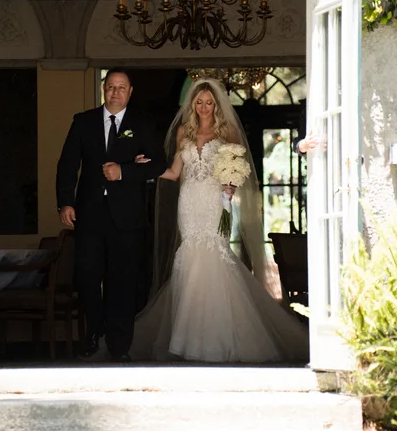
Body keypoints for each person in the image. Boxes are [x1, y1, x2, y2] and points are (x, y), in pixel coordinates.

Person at [128, 78, 309, 363]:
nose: (203, 107)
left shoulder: (228, 132)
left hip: (215, 201)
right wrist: (146, 168)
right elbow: (175, 173)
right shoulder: (183, 133)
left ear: (216, 105)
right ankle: (189, 339)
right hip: (189, 201)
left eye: (208, 102)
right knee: (189, 256)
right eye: (198, 102)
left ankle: (219, 337)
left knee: (215, 253)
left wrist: (231, 186)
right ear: (192, 104)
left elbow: (239, 168)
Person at [55, 69, 166, 362]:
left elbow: (157, 165)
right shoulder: (83, 121)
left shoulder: (142, 122)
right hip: (89, 214)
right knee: (88, 277)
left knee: (123, 281)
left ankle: (119, 346)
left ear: (130, 91)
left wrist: (125, 171)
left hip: (127, 217)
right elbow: (67, 165)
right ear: (103, 89)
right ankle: (93, 333)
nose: (115, 92)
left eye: (121, 87)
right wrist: (65, 203)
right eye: (111, 87)